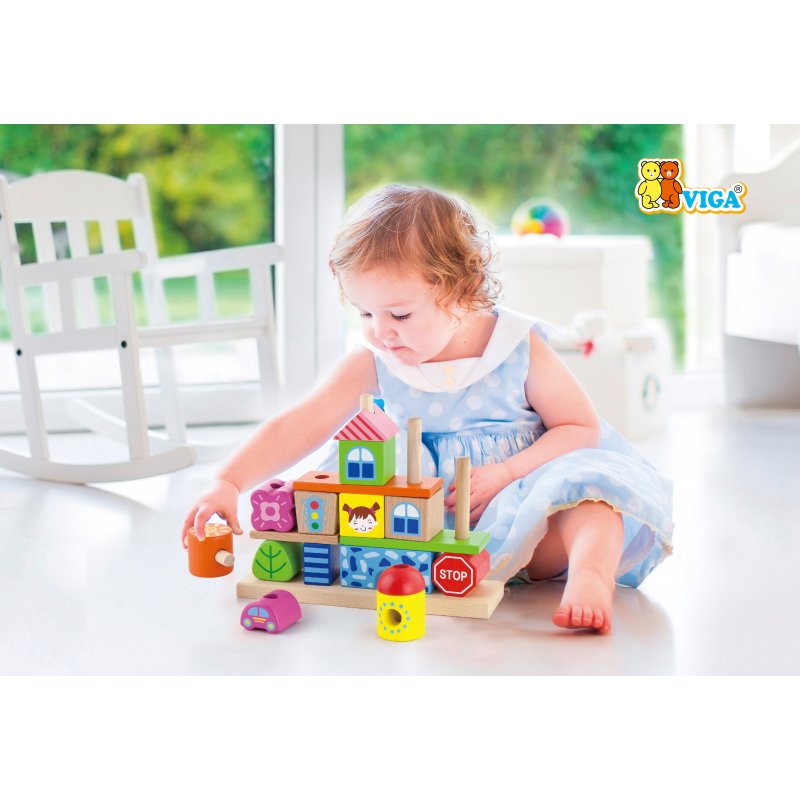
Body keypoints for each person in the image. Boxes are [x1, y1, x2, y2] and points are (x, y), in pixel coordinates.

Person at [182, 184, 674, 634]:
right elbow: (300, 425)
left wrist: (507, 473)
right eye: (365, 313)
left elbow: (579, 427)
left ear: (463, 289)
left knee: (591, 498)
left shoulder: (516, 346)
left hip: (529, 517)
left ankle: (590, 577)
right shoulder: (374, 362)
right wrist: (228, 481)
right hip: (422, 536)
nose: (381, 331)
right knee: (341, 523)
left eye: (399, 314)